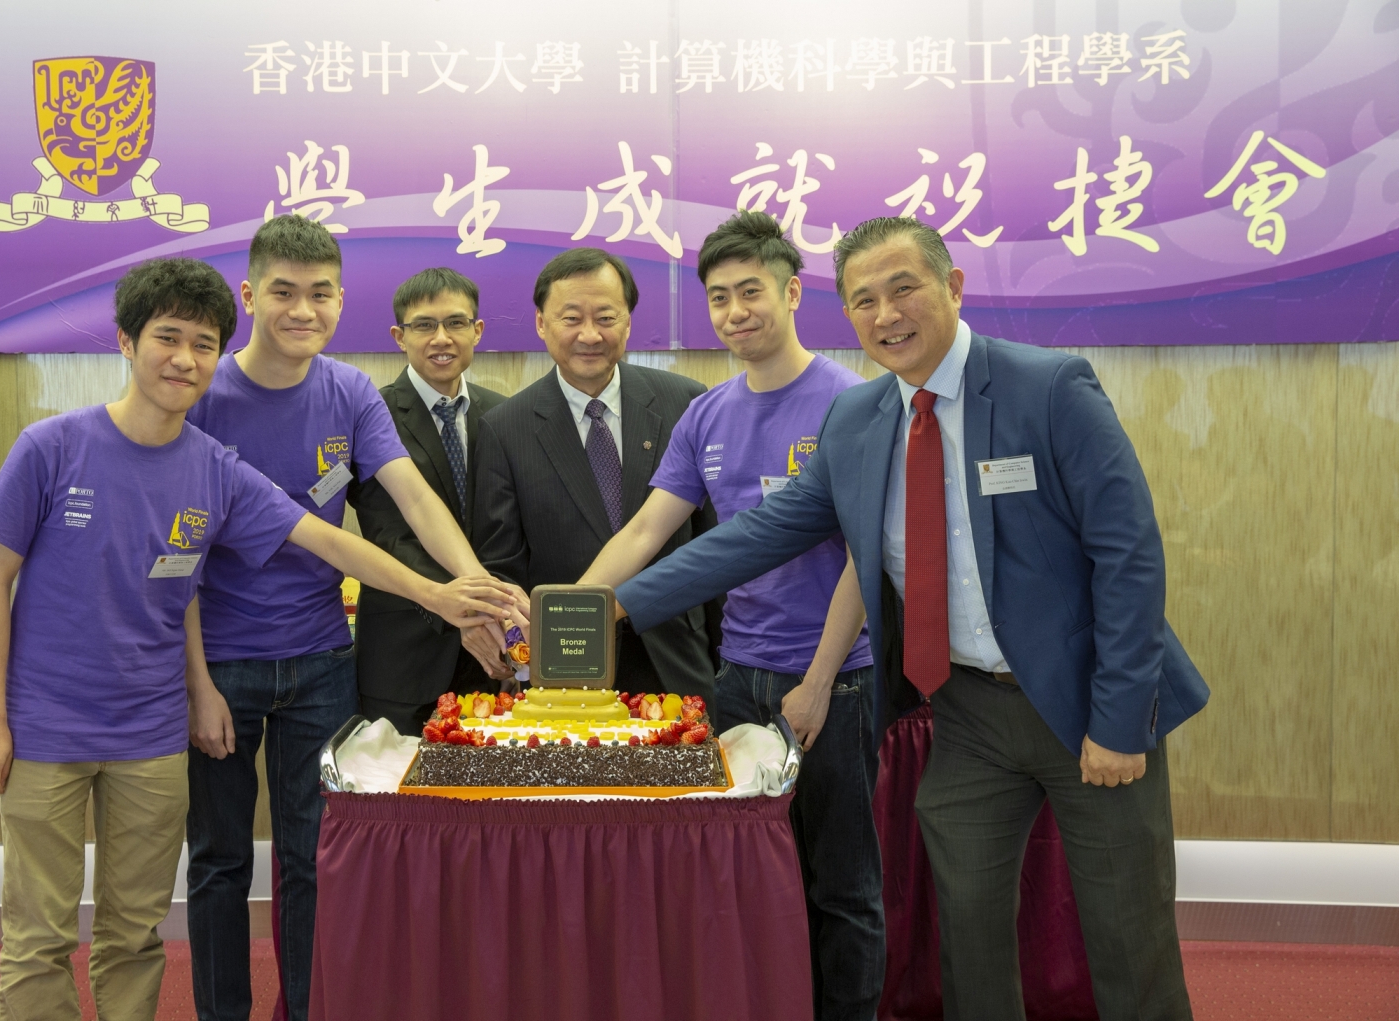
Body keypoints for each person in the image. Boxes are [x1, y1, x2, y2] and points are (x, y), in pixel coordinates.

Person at [614, 216, 1209, 1021]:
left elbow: (1129, 557)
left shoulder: (1049, 386)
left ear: (953, 286)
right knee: (966, 937)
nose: (886, 315)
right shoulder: (859, 421)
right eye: (864, 301)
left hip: (1086, 704)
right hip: (967, 716)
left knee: (1126, 938)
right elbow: (759, 533)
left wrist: (1119, 721)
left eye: (904, 289)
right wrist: (615, 603)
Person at [0, 256, 522, 1021]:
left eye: (200, 343)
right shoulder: (53, 446)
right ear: (126, 342)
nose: (184, 359)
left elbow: (329, 540)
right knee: (43, 932)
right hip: (62, 723)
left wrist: (448, 595)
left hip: (163, 726)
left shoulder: (217, 467)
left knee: (138, 928)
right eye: (168, 339)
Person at [181, 219, 524, 1021]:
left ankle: (306, 1008)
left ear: (341, 299)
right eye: (284, 293)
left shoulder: (349, 390)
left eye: (321, 293)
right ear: (249, 296)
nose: (304, 309)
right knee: (220, 860)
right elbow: (203, 560)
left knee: (314, 858)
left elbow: (412, 495)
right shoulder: (204, 397)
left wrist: (475, 584)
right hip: (224, 663)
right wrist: (195, 681)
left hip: (322, 660)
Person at [579, 212, 883, 1021]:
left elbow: (866, 555)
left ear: (791, 291)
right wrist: (568, 615)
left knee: (842, 882)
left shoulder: (851, 403)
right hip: (735, 678)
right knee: (746, 877)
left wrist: (819, 681)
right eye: (719, 298)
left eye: (752, 292)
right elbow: (647, 529)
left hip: (836, 682)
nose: (736, 311)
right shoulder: (707, 415)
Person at [473, 247, 716, 695]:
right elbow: (501, 571)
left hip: (677, 666)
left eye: (606, 317)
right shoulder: (505, 428)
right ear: (542, 324)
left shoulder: (685, 403)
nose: (589, 334)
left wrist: (718, 662)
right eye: (571, 319)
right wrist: (521, 659)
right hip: (562, 676)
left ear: (627, 322)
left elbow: (711, 541)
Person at [349, 267, 511, 735]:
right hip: (404, 654)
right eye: (424, 325)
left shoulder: (504, 415)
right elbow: (388, 532)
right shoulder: (371, 415)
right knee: (394, 803)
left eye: (456, 323)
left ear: (477, 331)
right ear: (400, 336)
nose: (441, 337)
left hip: (490, 656)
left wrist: (494, 621)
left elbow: (509, 531)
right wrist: (463, 610)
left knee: (478, 802)